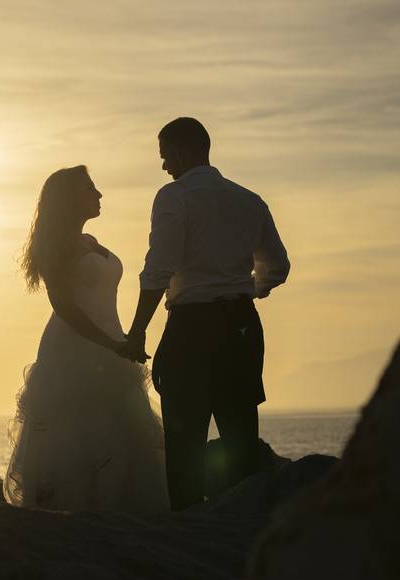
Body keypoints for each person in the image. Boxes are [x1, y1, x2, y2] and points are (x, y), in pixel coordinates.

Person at [122, 117, 290, 511]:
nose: (164, 166)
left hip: (192, 327)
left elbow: (159, 269)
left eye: (165, 157)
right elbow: (278, 267)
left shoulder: (173, 196)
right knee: (240, 432)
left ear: (181, 151)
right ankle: (245, 527)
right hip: (242, 326)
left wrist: (138, 331)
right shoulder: (250, 200)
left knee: (185, 436)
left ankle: (186, 523)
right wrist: (249, 290)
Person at [4, 165, 170, 513]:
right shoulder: (58, 246)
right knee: (78, 433)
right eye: (89, 188)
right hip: (73, 351)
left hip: (111, 346)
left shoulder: (89, 243)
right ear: (68, 199)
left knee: (123, 430)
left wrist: (121, 341)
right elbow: (64, 306)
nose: (99, 195)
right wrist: (111, 344)